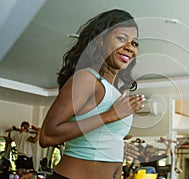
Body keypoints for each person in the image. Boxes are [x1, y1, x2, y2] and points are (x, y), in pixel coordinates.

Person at [39, 9, 145, 179]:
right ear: (101, 41)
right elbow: (47, 136)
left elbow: (95, 135)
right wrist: (109, 115)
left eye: (134, 43)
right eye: (121, 38)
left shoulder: (115, 91)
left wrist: (115, 147)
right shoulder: (86, 78)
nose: (129, 48)